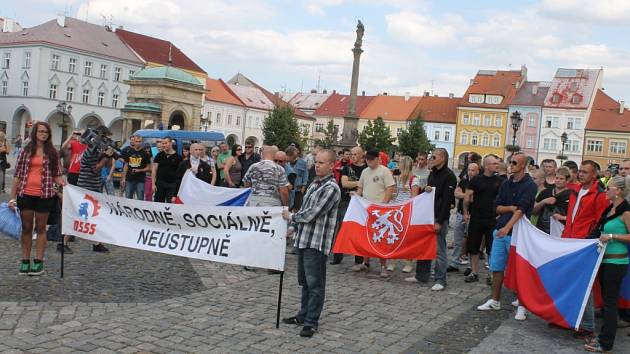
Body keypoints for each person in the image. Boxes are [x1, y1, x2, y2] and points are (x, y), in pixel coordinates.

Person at [282, 149, 341, 338]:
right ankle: (303, 315)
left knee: (315, 284)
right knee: (305, 283)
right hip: (304, 239)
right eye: (316, 161)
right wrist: (293, 228)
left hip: (317, 243)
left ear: (332, 165)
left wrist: (291, 217)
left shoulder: (331, 188)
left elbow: (312, 213)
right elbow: (305, 210)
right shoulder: (314, 183)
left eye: (322, 162)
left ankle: (311, 322)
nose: (317, 165)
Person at [477, 153, 536, 318]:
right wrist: (509, 209)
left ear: (523, 165)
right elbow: (497, 207)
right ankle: (495, 301)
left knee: (519, 270)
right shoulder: (506, 183)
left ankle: (522, 306)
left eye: (515, 162)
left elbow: (522, 210)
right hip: (501, 230)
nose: (511, 165)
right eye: (510, 162)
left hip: (518, 234)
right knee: (496, 267)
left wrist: (508, 226)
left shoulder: (529, 185)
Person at [562, 160, 611, 339]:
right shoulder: (575, 190)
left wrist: (588, 240)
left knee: (584, 284)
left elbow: (601, 222)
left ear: (594, 175)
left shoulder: (599, 195)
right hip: (569, 241)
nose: (581, 174)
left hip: (584, 244)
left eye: (585, 172)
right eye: (580, 171)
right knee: (570, 281)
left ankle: (588, 325)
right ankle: (569, 319)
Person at [8, 122, 64, 275]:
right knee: (26, 228)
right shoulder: (26, 151)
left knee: (40, 228)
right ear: (35, 132)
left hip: (45, 195)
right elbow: (17, 175)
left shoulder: (53, 152)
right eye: (40, 131)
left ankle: (38, 262)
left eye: (46, 132)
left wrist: (65, 188)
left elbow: (57, 175)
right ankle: (25, 261)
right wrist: (12, 198)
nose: (43, 134)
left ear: (49, 134)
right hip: (25, 193)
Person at [584, 176, 630, 352]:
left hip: (616, 263)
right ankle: (604, 337)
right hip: (604, 261)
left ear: (617, 191)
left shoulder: (626, 211)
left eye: (609, 188)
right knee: (607, 303)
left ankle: (605, 343)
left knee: (610, 303)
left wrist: (612, 236)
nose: (606, 191)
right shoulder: (611, 209)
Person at [406, 148, 456, 291]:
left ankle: (441, 279)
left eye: (434, 157)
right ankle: (421, 275)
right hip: (427, 215)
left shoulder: (450, 176)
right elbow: (430, 194)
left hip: (439, 216)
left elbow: (447, 201)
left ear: (443, 158)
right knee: (424, 245)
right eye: (431, 157)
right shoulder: (432, 174)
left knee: (439, 249)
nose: (431, 159)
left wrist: (439, 221)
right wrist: (426, 188)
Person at [355, 149, 395, 278]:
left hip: (380, 210)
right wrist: (356, 197)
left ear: (378, 159)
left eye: (372, 159)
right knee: (366, 235)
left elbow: (390, 189)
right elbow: (360, 188)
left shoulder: (384, 171)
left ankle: (383, 266)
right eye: (367, 159)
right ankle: (365, 262)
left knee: (380, 238)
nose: (369, 161)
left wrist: (383, 205)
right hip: (366, 209)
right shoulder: (365, 172)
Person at [462, 156, 502, 283]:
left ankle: (491, 274)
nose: (497, 165)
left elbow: (503, 198)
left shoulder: (500, 181)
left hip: (493, 218)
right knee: (473, 245)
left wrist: (500, 214)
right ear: (487, 165)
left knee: (492, 247)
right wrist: (465, 212)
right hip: (477, 217)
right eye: (494, 163)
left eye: (497, 163)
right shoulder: (476, 180)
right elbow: (467, 196)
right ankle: (474, 272)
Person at [77, 125, 114, 253]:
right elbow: (96, 169)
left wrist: (108, 156)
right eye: (105, 138)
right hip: (87, 186)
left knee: (94, 216)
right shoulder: (90, 151)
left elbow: (106, 165)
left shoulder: (96, 150)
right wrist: (106, 157)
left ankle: (97, 243)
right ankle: (63, 241)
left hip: (93, 185)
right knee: (81, 216)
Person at [332, 146, 368, 266]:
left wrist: (359, 185)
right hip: (346, 200)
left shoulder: (366, 169)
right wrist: (360, 183)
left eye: (355, 154)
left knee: (359, 229)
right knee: (342, 227)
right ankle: (337, 255)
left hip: (361, 202)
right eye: (351, 154)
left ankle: (359, 258)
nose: (352, 157)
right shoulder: (347, 168)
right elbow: (344, 183)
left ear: (361, 155)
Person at [387, 156, 421, 272]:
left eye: (400, 163)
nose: (398, 165)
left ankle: (408, 262)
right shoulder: (397, 178)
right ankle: (393, 261)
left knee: (407, 238)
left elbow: (414, 197)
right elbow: (394, 194)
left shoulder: (414, 179)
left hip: (407, 210)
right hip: (396, 209)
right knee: (394, 235)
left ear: (404, 165)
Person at [448, 162, 479, 274]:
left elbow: (475, 199)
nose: (470, 172)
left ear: (477, 171)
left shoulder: (479, 183)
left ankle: (471, 266)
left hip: (473, 214)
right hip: (460, 212)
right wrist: (467, 195)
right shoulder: (464, 181)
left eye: (473, 170)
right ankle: (454, 262)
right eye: (469, 170)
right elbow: (456, 193)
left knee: (472, 241)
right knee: (457, 239)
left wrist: (464, 195)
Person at [151, 137, 182, 202]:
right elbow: (154, 170)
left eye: (165, 143)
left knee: (170, 204)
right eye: (163, 143)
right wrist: (153, 184)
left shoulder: (178, 157)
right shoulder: (159, 155)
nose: (164, 145)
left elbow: (180, 173)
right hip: (160, 184)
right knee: (158, 204)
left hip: (172, 185)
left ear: (171, 143)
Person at [120, 135, 151, 200]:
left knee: (140, 198)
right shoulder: (129, 151)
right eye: (136, 141)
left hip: (140, 180)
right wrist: (123, 178)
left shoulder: (145, 154)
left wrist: (140, 170)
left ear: (142, 142)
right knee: (128, 198)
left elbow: (148, 168)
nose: (138, 143)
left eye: (139, 142)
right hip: (129, 179)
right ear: (134, 141)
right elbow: (126, 165)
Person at [286, 146, 309, 212]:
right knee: (288, 208)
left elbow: (305, 175)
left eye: (296, 157)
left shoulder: (303, 163)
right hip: (288, 190)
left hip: (298, 190)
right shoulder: (285, 163)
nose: (295, 159)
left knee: (296, 209)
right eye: (293, 157)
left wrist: (303, 189)